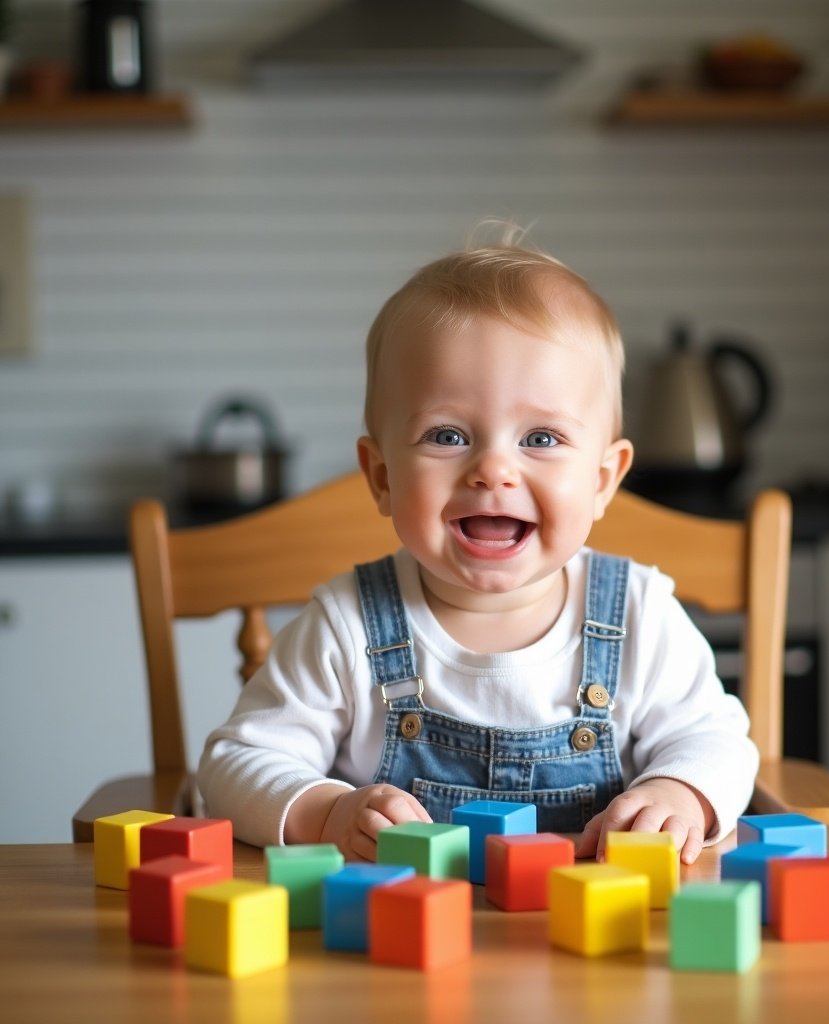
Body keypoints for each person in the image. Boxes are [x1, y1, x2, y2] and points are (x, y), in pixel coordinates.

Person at [197, 226, 758, 866]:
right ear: (382, 476)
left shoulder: (639, 614)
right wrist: (327, 813)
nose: (493, 470)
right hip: (392, 942)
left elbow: (718, 740)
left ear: (603, 481)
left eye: (541, 439)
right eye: (447, 435)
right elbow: (234, 765)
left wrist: (680, 792)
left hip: (595, 943)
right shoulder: (346, 626)